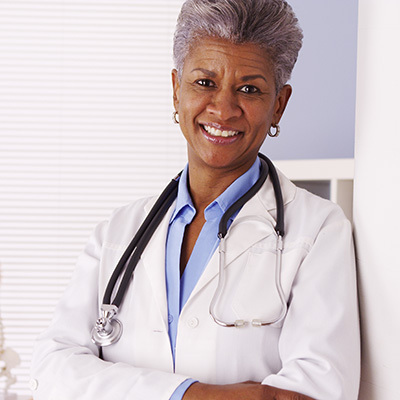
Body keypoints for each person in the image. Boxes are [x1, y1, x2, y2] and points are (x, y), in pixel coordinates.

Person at [30, 1, 360, 399]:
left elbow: (316, 390)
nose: (223, 108)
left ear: (279, 105)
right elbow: (52, 369)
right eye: (204, 82)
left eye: (249, 89)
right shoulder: (118, 233)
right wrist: (195, 394)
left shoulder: (318, 230)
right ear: (176, 90)